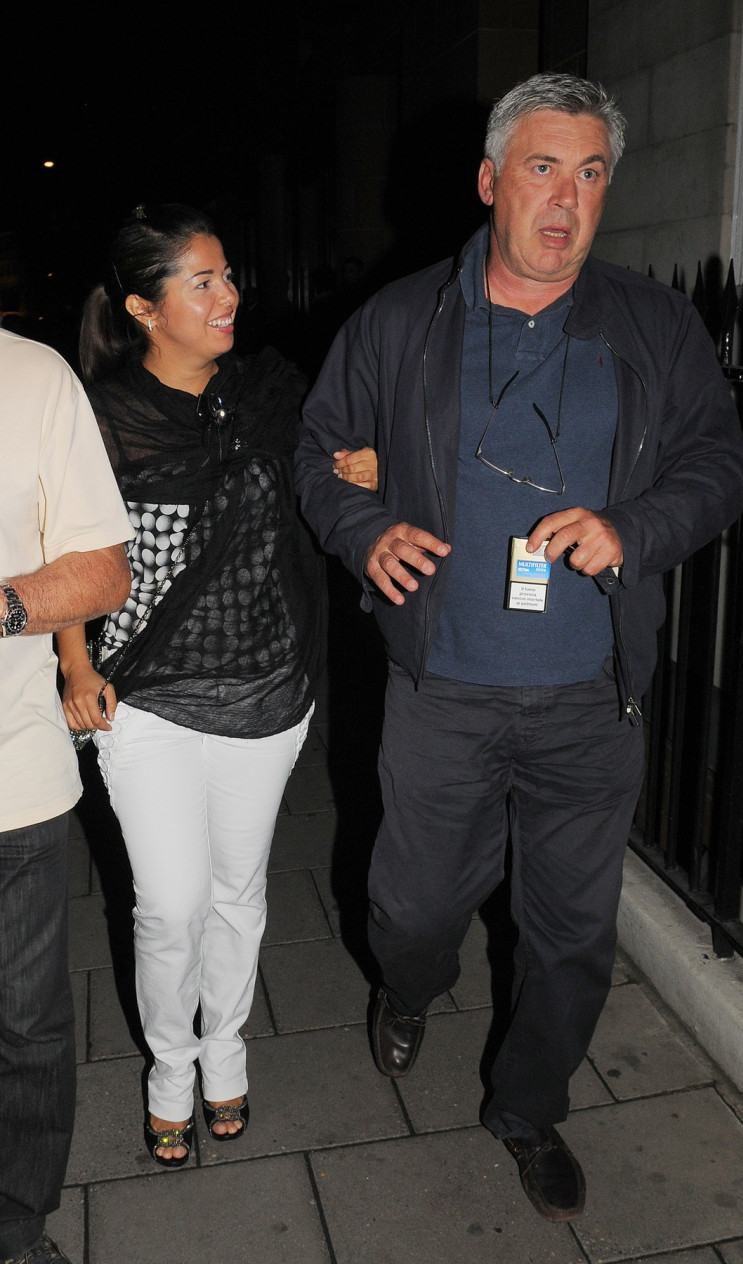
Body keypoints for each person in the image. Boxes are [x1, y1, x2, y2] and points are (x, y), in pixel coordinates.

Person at [294, 73, 743, 1222]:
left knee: (568, 931)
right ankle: (409, 986)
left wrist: (630, 527)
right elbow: (317, 451)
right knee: (409, 907)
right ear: (492, 181)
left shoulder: (650, 325)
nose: (567, 198)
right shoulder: (401, 321)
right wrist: (361, 526)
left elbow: (720, 464)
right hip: (440, 685)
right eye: (543, 168)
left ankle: (528, 1107)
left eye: (591, 173)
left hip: (588, 699)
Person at [57, 204, 376, 1168]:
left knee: (240, 892)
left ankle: (226, 1049)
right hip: (146, 698)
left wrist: (350, 465)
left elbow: (322, 472)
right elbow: (69, 545)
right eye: (203, 281)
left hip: (268, 693)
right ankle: (169, 1067)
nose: (229, 294)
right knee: (169, 902)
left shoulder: (271, 390)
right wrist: (74, 662)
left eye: (228, 274)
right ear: (147, 309)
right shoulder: (101, 415)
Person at [0, 328, 132, 1264]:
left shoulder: (32, 378)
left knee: (26, 1026)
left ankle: (15, 1223)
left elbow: (101, 569)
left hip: (12, 782)